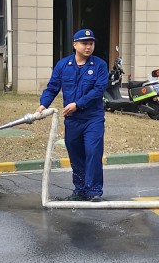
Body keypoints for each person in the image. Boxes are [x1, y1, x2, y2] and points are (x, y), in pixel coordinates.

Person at [38, 29, 109, 202]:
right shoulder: (63, 65)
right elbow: (52, 87)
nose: (88, 47)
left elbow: (98, 90)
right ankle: (80, 190)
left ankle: (94, 191)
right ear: (75, 45)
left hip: (93, 118)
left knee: (93, 152)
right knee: (75, 154)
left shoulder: (99, 65)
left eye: (91, 43)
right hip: (72, 120)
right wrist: (43, 105)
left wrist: (77, 104)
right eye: (84, 43)